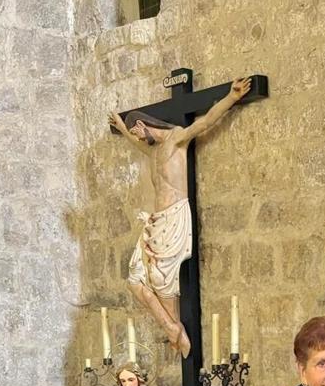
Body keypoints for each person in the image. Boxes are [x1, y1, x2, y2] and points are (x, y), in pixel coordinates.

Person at [108, 76, 252, 357]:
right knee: (134, 279)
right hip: (155, 221)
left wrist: (231, 98)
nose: (139, 139)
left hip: (174, 217)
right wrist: (124, 130)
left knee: (162, 281)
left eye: (137, 133)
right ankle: (173, 328)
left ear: (144, 125)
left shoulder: (176, 138)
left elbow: (205, 122)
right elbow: (137, 142)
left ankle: (175, 331)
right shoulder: (153, 151)